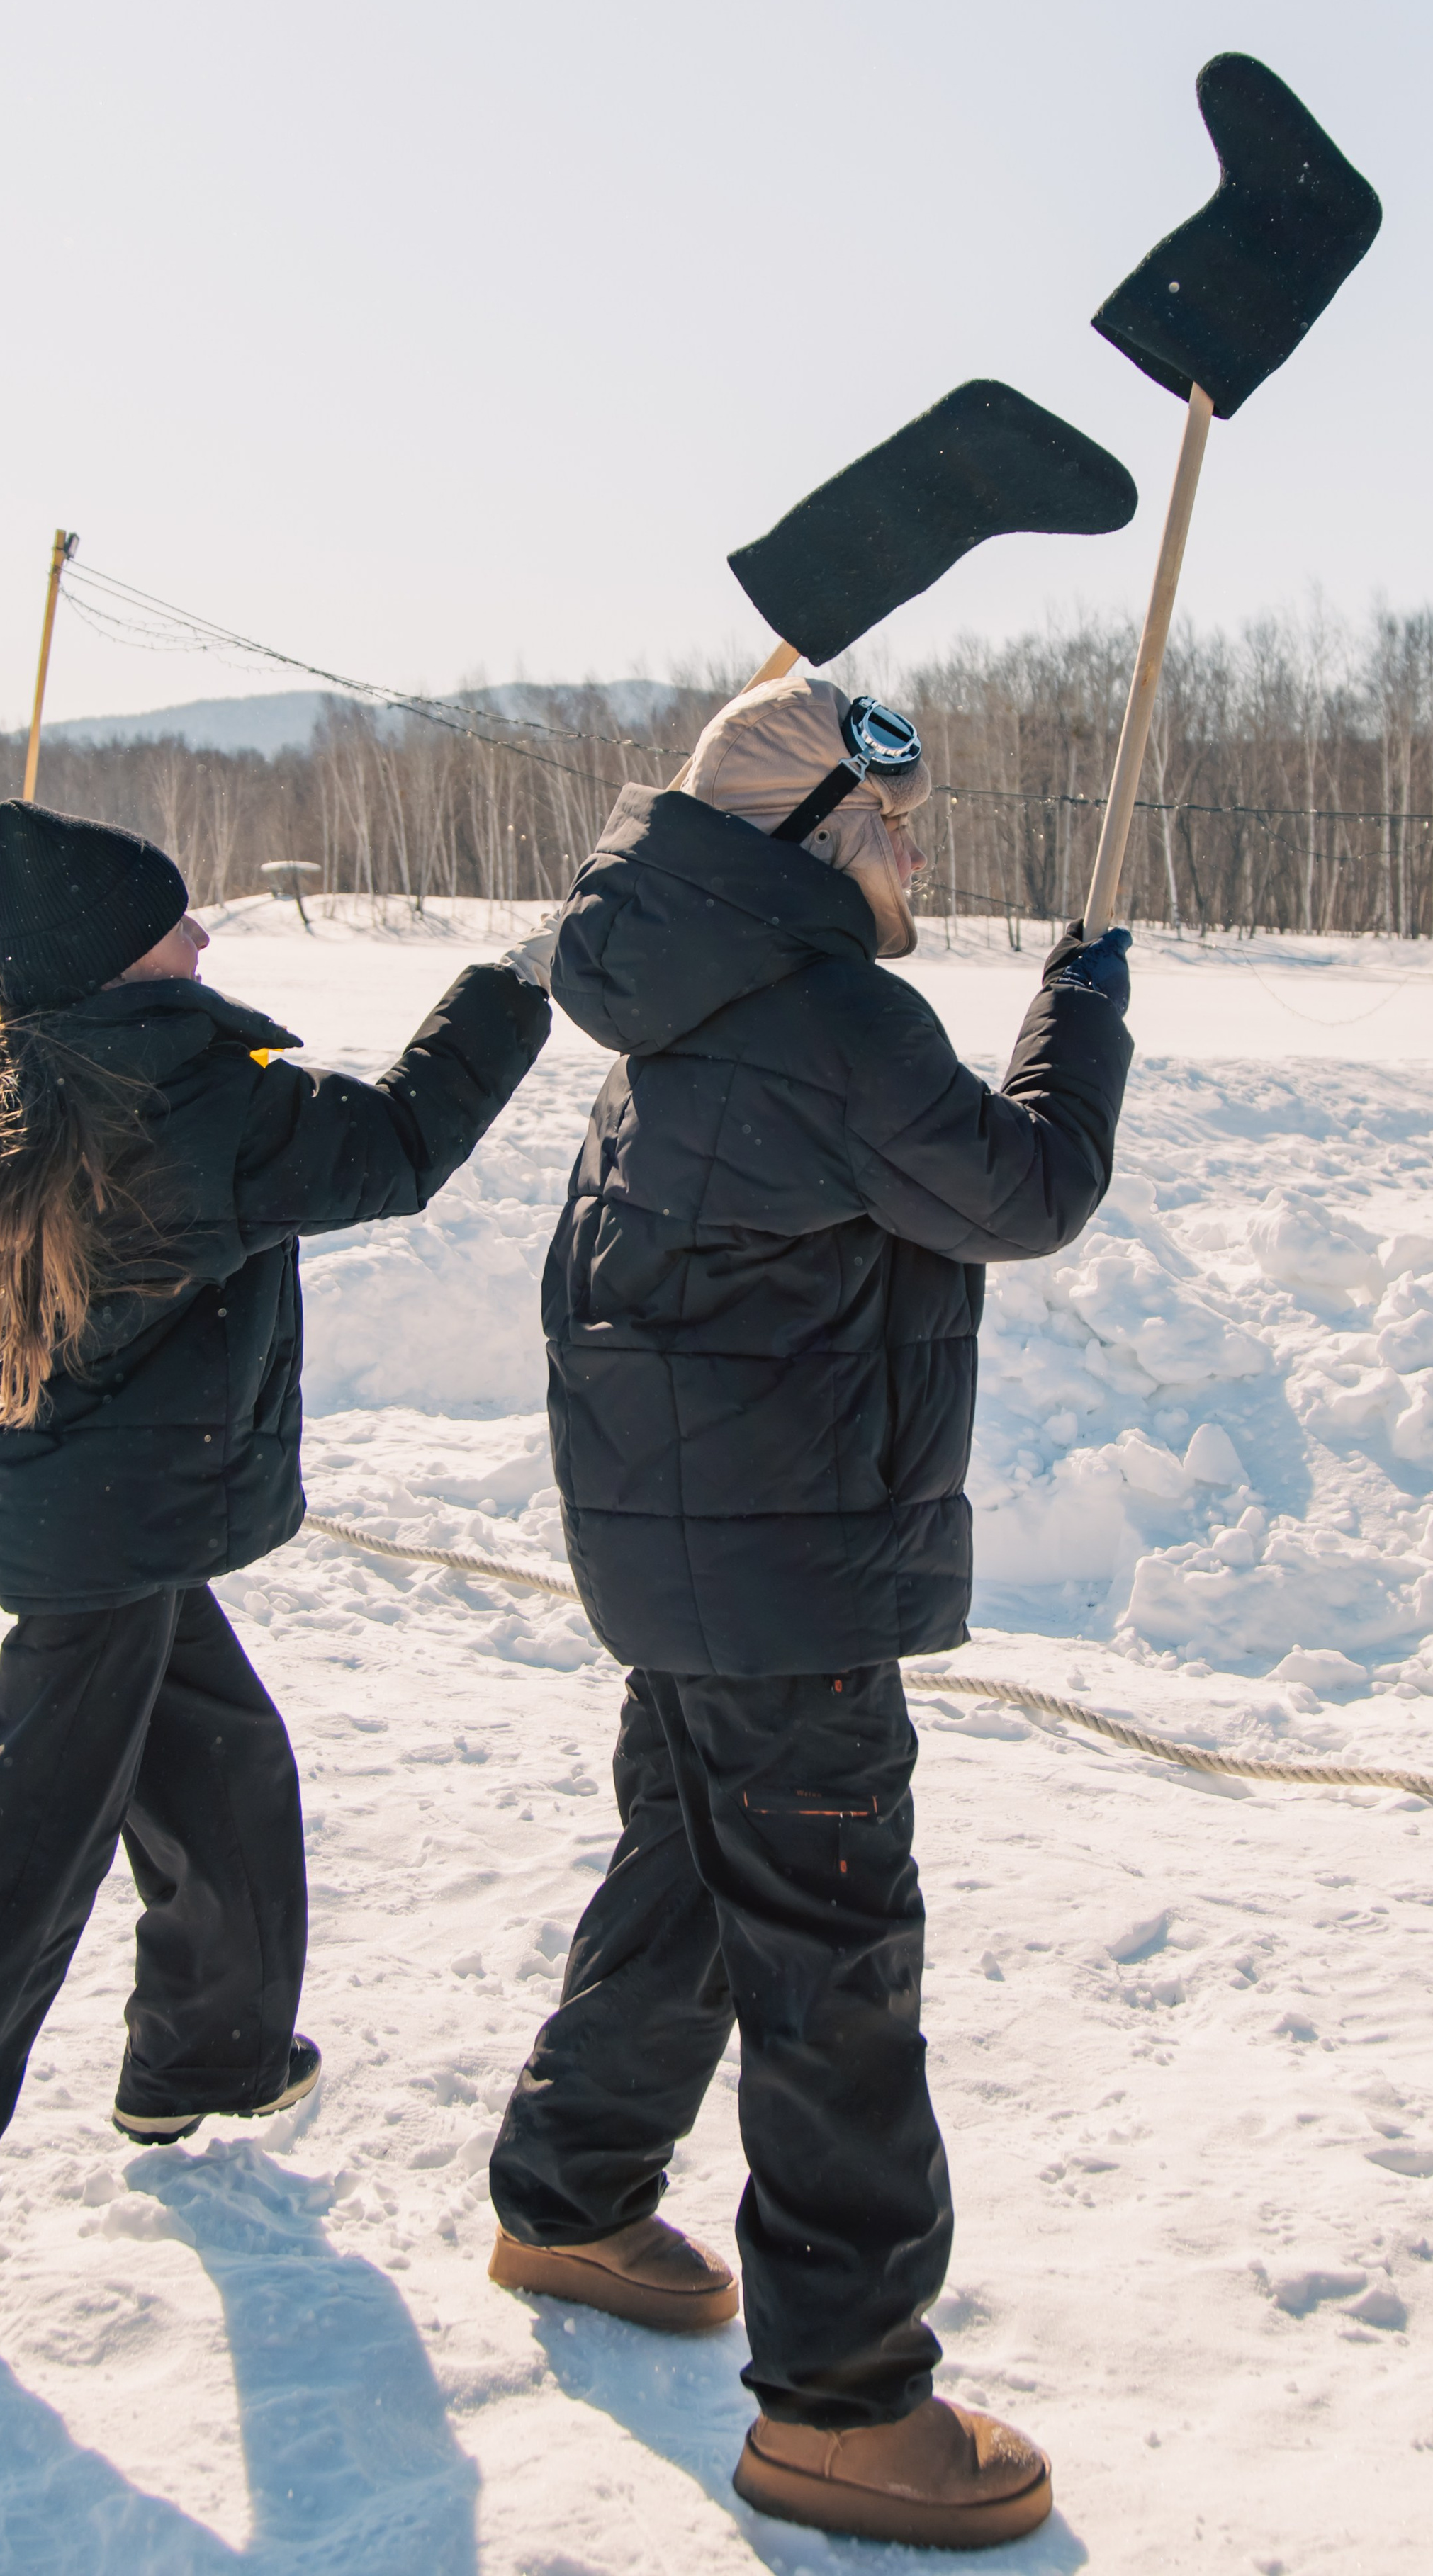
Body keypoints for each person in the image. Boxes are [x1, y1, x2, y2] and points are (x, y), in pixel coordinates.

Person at [0, 798, 553, 2354]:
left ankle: (208, 2055)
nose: (201, 937)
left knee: (226, 1769)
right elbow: (396, 1145)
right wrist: (513, 984)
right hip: (105, 1533)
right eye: (170, 922)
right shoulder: (176, 1107)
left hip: (96, 1508)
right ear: (114, 963)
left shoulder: (28, 1065)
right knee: (20, 1871)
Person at [485, 672, 1131, 2550]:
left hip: (684, 1550)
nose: (912, 853)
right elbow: (1023, 1191)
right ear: (812, 835)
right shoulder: (830, 1015)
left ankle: (569, 2195)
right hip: (778, 1566)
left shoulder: (679, 1000)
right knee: (834, 1969)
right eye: (889, 823)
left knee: (692, 1874)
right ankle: (844, 2407)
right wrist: (1083, 1005)